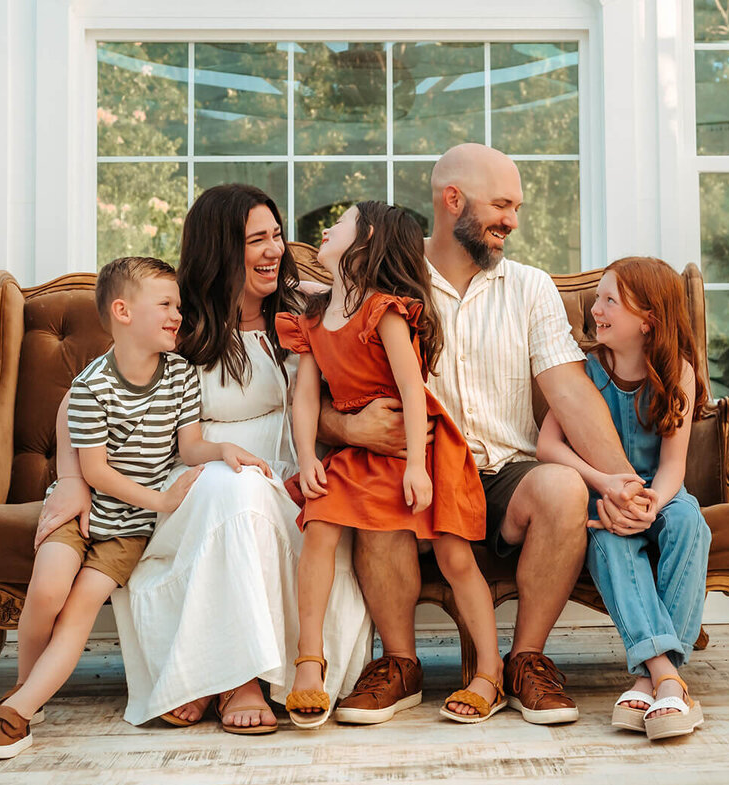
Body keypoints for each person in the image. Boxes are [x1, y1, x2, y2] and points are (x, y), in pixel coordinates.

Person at [320, 144, 651, 727]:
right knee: (377, 504)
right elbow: (320, 383)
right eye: (502, 205)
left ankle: (525, 662)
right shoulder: (385, 281)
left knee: (564, 489)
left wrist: (625, 484)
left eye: (516, 208)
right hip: (416, 469)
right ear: (454, 201)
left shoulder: (530, 287)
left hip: (505, 475)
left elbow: (571, 392)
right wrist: (346, 426)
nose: (513, 222)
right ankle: (399, 665)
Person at [39, 185, 372, 735]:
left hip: (290, 479)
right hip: (196, 482)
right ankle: (238, 677)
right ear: (220, 249)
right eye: (256, 240)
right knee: (229, 487)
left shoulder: (303, 307)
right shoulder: (179, 319)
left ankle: (214, 672)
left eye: (276, 236)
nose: (275, 250)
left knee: (247, 490)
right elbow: (83, 393)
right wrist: (71, 479)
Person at [0, 256, 271, 759]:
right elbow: (97, 472)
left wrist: (221, 451)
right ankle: (25, 693)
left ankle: (15, 715)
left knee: (82, 604)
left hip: (127, 529)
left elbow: (189, 446)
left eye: (179, 304)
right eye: (166, 305)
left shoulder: (180, 376)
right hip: (82, 515)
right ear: (123, 311)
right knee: (46, 592)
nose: (178, 315)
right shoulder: (91, 387)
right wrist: (163, 500)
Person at [278, 201, 502, 727]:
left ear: (366, 241)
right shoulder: (312, 317)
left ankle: (489, 672)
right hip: (359, 450)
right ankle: (309, 664)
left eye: (343, 222)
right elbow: (306, 398)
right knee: (318, 527)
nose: (328, 227)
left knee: (454, 557)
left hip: (418, 445)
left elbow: (411, 386)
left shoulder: (385, 309)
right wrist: (308, 455)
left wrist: (418, 468)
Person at [537, 256, 711, 741]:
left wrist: (652, 503)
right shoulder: (586, 371)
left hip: (658, 492)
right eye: (597, 299)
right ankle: (669, 679)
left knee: (689, 522)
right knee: (608, 539)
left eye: (609, 300)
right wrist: (605, 485)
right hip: (600, 492)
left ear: (648, 319)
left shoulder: (677, 372)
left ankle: (646, 678)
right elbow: (547, 446)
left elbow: (674, 466)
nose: (595, 309)